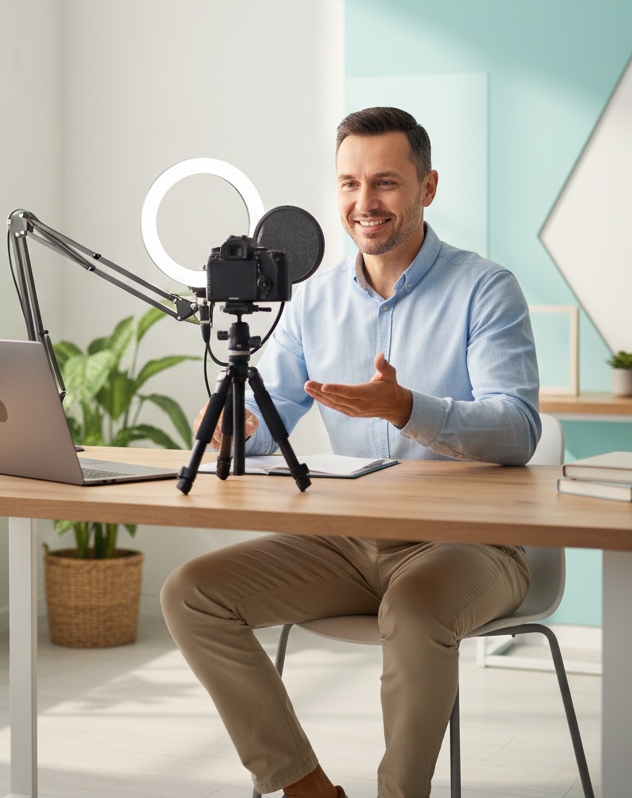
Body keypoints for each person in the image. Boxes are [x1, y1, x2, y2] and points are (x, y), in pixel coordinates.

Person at [161, 107, 540, 798]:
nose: (364, 204)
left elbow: (519, 429)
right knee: (192, 594)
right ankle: (306, 788)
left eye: (386, 183)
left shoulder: (486, 289)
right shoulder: (313, 302)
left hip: (469, 545)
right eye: (348, 184)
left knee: (418, 609)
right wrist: (234, 425)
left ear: (427, 188)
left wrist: (408, 409)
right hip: (343, 540)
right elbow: (268, 415)